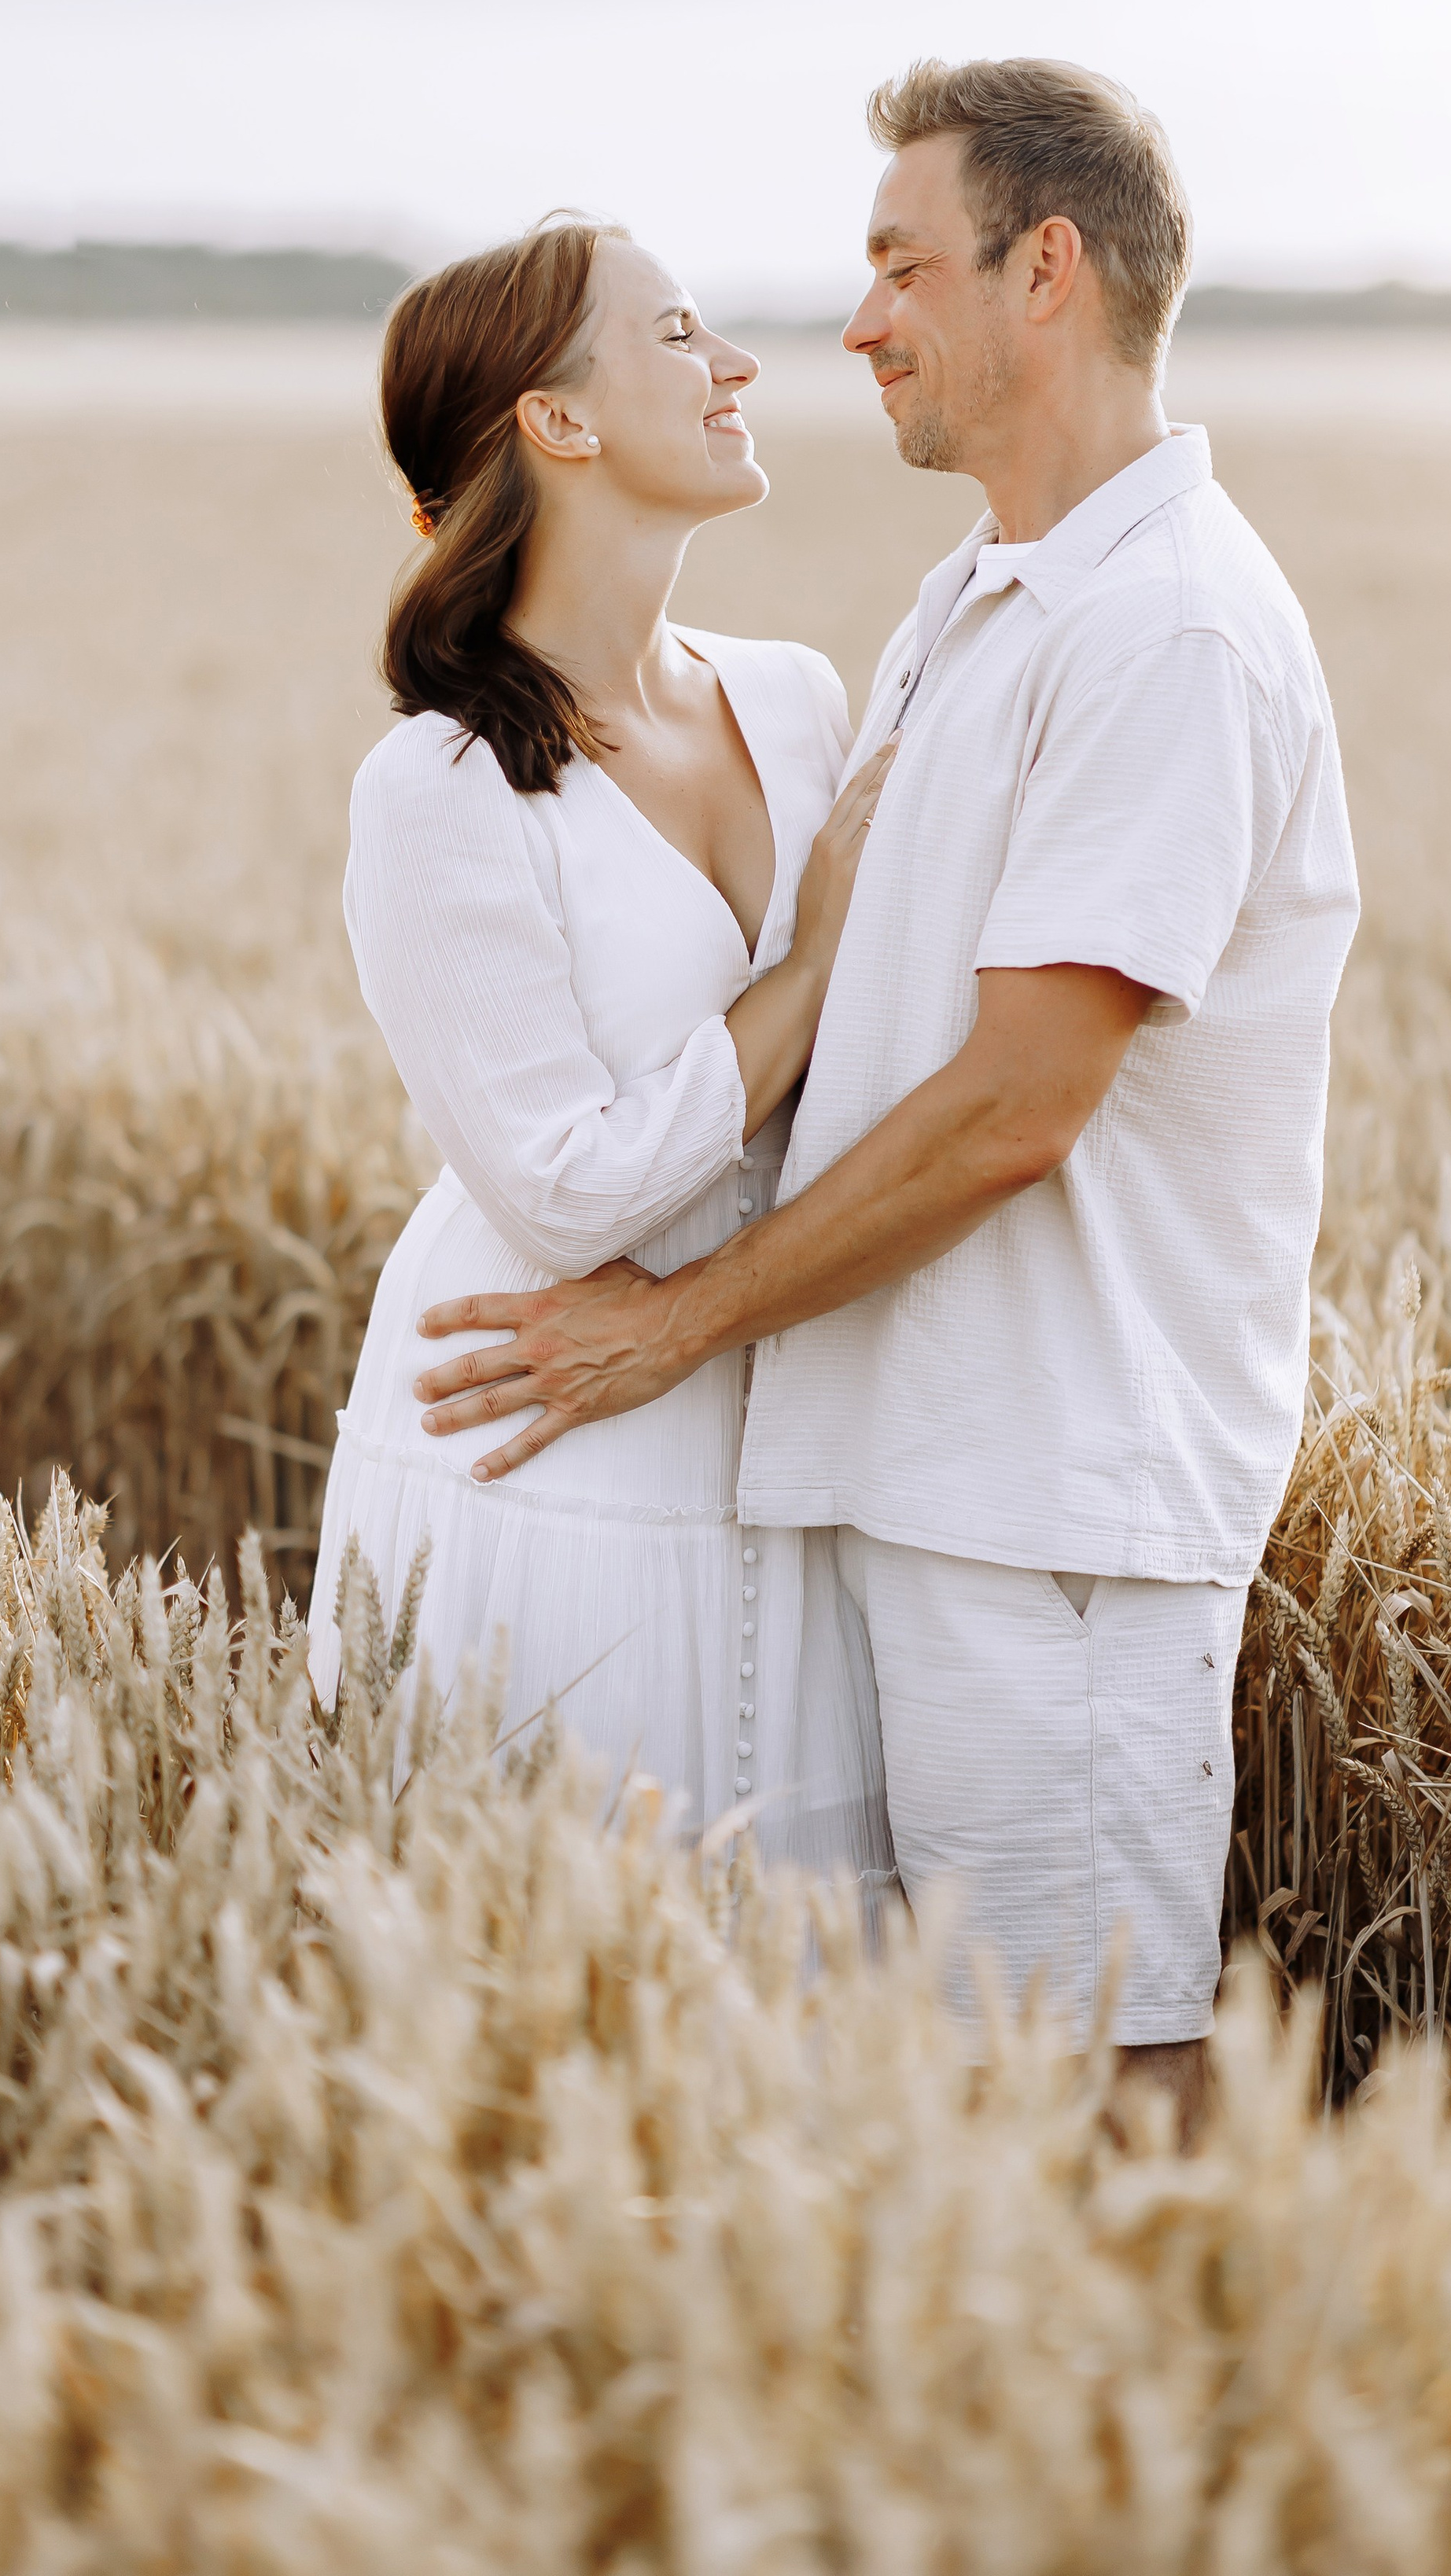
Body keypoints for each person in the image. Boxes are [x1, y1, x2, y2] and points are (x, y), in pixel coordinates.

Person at [407, 61, 1361, 2133]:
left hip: (1067, 1500)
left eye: (898, 266)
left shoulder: (1169, 630)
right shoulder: (977, 600)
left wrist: (673, 1326)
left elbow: (1023, 1103)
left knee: (1100, 2078)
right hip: (947, 1481)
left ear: (1047, 271)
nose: (853, 326)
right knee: (985, 2091)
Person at [306, 217, 894, 1890]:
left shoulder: (795, 699)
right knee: (557, 1964)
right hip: (540, 1435)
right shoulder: (437, 792)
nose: (737, 368)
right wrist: (828, 941)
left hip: (782, 1423)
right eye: (684, 334)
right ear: (556, 423)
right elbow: (570, 1197)